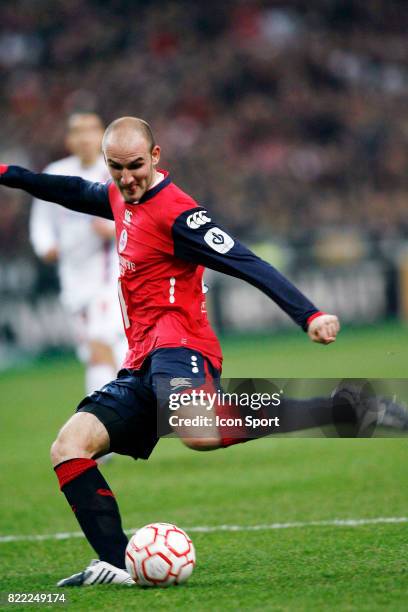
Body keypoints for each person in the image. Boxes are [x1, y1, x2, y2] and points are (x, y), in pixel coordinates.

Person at [0, 116, 404, 588]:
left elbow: (245, 260)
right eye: (115, 168)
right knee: (70, 447)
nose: (126, 178)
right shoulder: (118, 194)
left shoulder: (178, 212)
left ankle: (343, 408)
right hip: (140, 360)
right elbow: (70, 189)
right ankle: (116, 562)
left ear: (155, 157)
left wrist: (308, 314)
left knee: (196, 429)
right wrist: (9, 172)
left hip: (180, 342)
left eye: (134, 166)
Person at [29, 112, 127, 397]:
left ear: (102, 137)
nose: (84, 138)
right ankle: (131, 404)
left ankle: (103, 413)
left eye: (91, 130)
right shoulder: (55, 173)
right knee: (98, 351)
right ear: (69, 140)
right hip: (73, 280)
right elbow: (41, 220)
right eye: (78, 132)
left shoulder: (114, 173)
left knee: (99, 344)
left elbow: (139, 218)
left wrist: (113, 229)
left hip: (109, 277)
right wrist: (45, 245)